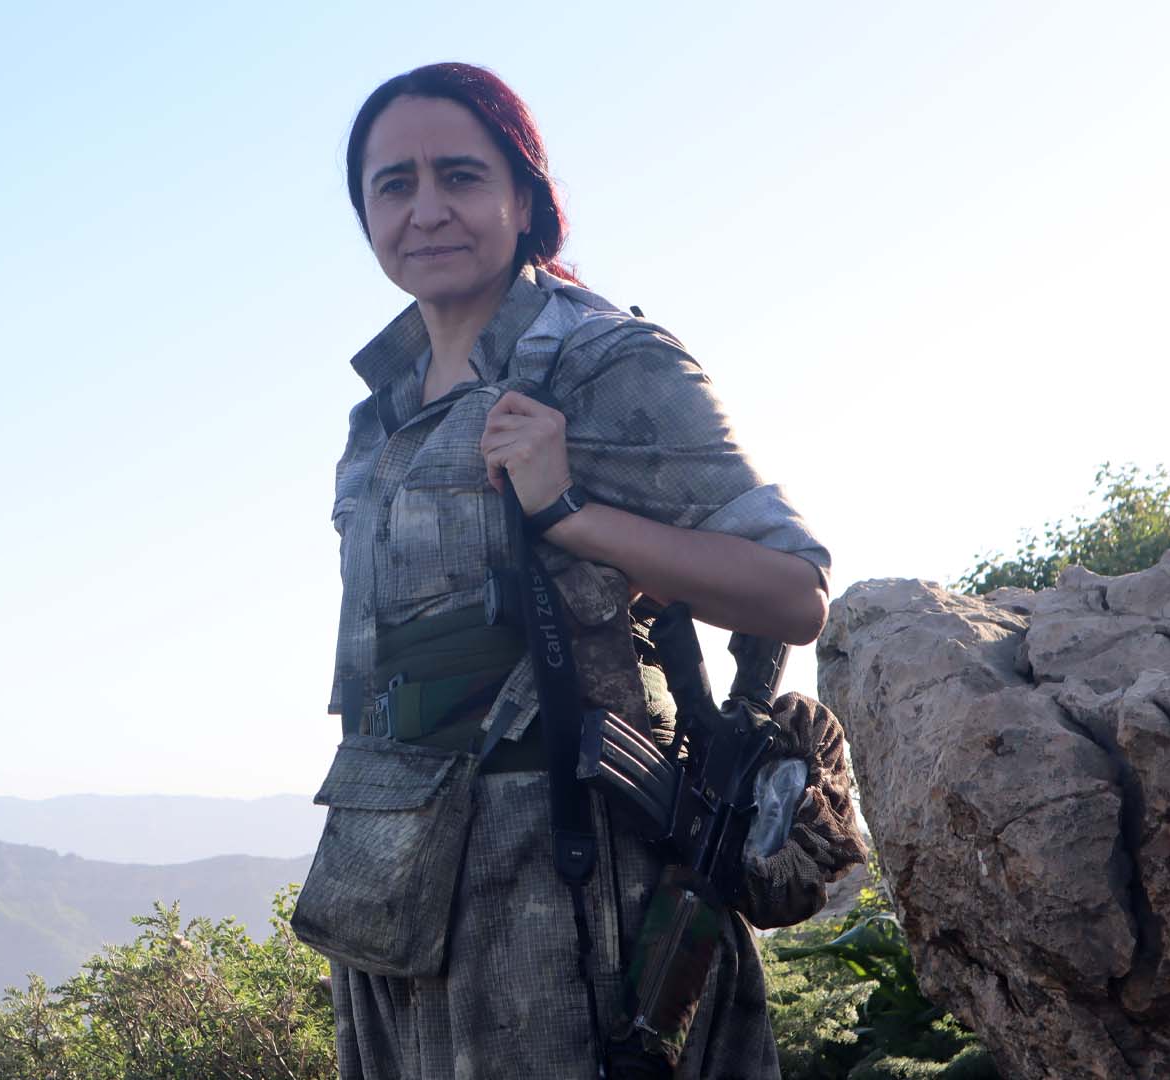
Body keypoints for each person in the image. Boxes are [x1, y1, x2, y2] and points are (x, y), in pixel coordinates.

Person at [320, 62, 835, 1080]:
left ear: (525, 199)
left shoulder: (602, 359)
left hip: (565, 895)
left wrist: (571, 514)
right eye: (394, 184)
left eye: (460, 175)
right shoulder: (375, 413)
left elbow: (794, 591)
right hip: (389, 883)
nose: (427, 209)